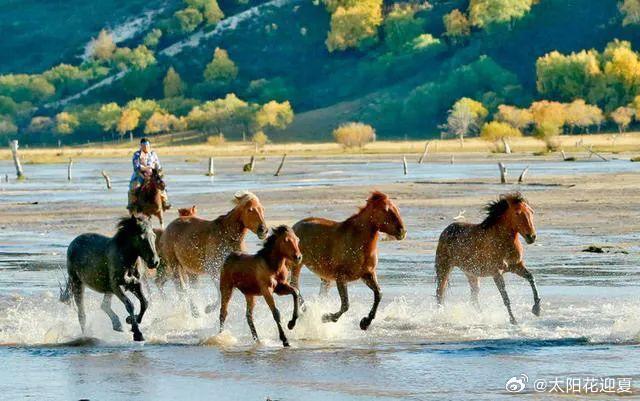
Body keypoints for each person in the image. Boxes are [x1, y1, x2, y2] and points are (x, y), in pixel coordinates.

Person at [127, 138, 171, 212]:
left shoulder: (153, 154)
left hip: (152, 175)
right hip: (140, 175)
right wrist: (146, 168)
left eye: (147, 145)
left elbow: (158, 165)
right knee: (133, 188)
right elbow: (136, 167)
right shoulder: (137, 154)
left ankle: (165, 202)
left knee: (161, 185)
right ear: (141, 146)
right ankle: (132, 204)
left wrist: (159, 172)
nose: (146, 147)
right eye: (143, 145)